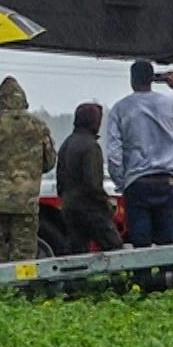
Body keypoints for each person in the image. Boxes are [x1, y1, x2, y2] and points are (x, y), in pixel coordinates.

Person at [105, 61, 173, 249]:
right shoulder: (170, 104)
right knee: (166, 244)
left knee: (140, 244)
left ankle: (143, 268)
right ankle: (167, 267)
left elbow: (114, 153)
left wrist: (122, 183)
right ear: (152, 79)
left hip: (137, 183)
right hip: (165, 181)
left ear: (132, 80)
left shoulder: (120, 109)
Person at [0, 76, 56, 265]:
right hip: (26, 203)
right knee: (24, 257)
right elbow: (49, 162)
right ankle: (22, 283)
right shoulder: (39, 126)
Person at [57, 102, 121, 254]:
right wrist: (106, 205)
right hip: (90, 209)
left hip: (69, 207)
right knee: (115, 248)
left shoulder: (67, 143)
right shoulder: (91, 146)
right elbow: (93, 184)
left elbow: (60, 181)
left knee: (77, 251)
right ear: (94, 121)